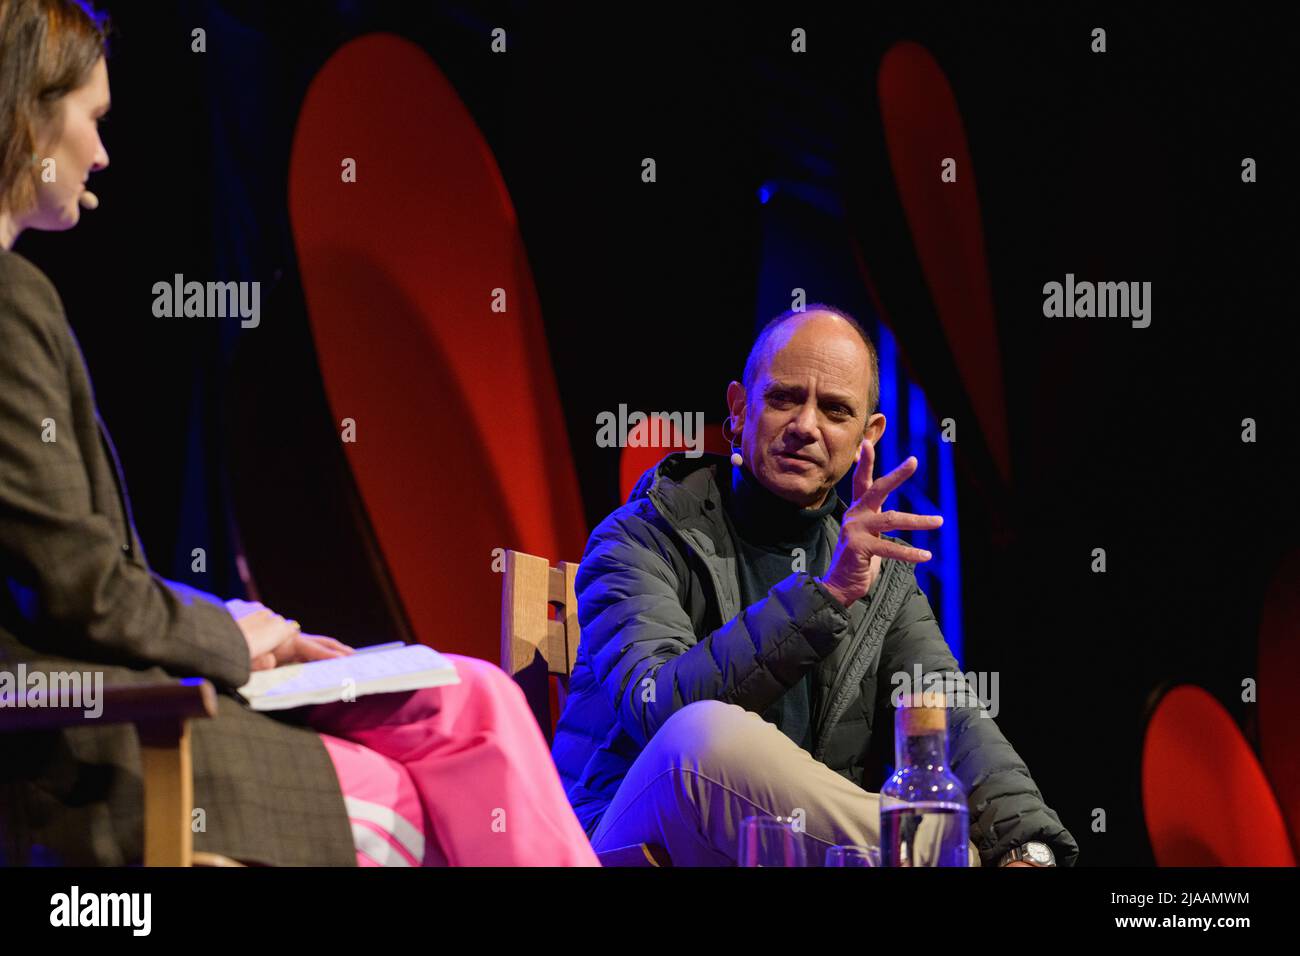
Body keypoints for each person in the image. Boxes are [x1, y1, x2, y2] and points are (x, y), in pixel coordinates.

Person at [0, 0, 597, 867]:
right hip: (93, 749)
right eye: (91, 119)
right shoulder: (12, 301)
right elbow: (78, 591)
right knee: (440, 785)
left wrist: (232, 624)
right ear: (27, 111)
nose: (101, 153)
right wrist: (229, 640)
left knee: (472, 696)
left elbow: (75, 579)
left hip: (123, 702)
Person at [552, 304, 1080, 867]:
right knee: (701, 735)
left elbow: (949, 715)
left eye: (834, 409)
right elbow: (660, 708)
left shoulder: (880, 575)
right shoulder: (642, 535)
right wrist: (824, 598)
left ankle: (940, 855)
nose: (805, 425)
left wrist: (1030, 849)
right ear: (738, 409)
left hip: (783, 854)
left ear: (865, 436)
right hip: (620, 835)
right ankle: (939, 858)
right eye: (783, 397)